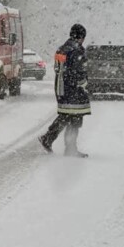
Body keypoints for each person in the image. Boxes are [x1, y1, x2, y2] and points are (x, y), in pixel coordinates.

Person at [39, 23, 91, 157]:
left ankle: (49, 139)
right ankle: (69, 148)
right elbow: (78, 72)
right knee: (75, 119)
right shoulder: (77, 51)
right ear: (81, 37)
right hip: (74, 91)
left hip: (61, 89)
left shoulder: (61, 49)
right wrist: (84, 84)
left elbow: (59, 69)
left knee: (65, 116)